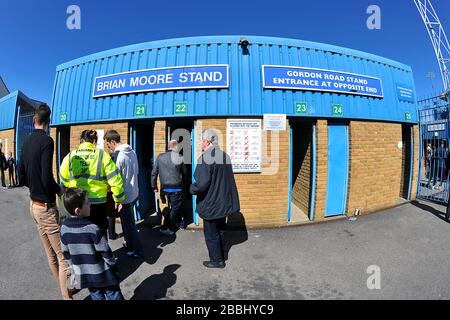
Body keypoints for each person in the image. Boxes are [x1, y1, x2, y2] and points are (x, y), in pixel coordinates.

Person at [18, 104, 72, 300]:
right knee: (62, 257)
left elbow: (21, 176)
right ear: (48, 122)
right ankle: (66, 296)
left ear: (34, 119)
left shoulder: (25, 142)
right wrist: (60, 191)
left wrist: (35, 188)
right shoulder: (47, 142)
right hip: (46, 208)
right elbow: (47, 177)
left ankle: (63, 289)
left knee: (51, 254)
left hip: (33, 206)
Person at [61, 188, 124, 300]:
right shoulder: (92, 229)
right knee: (113, 294)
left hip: (86, 275)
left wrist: (74, 267)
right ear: (78, 210)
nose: (90, 205)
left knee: (96, 296)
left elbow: (66, 253)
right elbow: (106, 252)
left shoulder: (64, 229)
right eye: (87, 203)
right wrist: (114, 266)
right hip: (103, 273)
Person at [190, 129, 240, 269]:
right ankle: (222, 255)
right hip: (223, 203)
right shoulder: (225, 156)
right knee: (221, 230)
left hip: (211, 204)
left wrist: (190, 189)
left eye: (201, 140)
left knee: (211, 234)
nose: (200, 142)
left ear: (208, 142)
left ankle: (217, 261)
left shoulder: (205, 158)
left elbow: (201, 185)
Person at [59, 130, 125, 237]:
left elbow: (63, 178)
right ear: (94, 141)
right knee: (100, 231)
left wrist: (73, 188)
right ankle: (102, 252)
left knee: (82, 233)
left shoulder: (70, 156)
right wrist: (119, 199)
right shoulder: (102, 155)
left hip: (78, 201)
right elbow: (115, 180)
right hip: (99, 202)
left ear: (81, 140)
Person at [104, 130, 144, 259]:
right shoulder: (132, 152)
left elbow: (115, 179)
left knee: (129, 224)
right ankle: (129, 244)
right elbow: (136, 171)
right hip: (133, 191)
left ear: (112, 142)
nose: (108, 148)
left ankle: (137, 250)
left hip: (124, 195)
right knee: (128, 221)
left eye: (108, 145)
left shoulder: (118, 156)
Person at [151, 140, 188, 235]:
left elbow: (154, 173)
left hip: (164, 189)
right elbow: (185, 173)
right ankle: (170, 227)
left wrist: (154, 186)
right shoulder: (179, 157)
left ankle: (177, 223)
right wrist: (185, 182)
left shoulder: (160, 157)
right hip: (176, 188)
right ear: (175, 147)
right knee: (175, 208)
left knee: (172, 207)